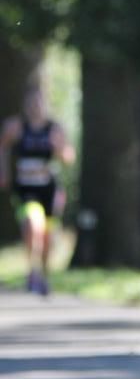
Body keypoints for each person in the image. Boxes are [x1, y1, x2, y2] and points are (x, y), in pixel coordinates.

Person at [0, 83, 75, 296]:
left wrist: (60, 149)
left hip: (49, 189)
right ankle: (31, 270)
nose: (35, 107)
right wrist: (3, 172)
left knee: (47, 237)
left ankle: (43, 274)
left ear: (44, 105)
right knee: (33, 226)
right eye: (31, 103)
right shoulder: (15, 126)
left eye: (38, 103)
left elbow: (69, 157)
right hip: (25, 188)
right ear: (25, 105)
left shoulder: (54, 129)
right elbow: (2, 147)